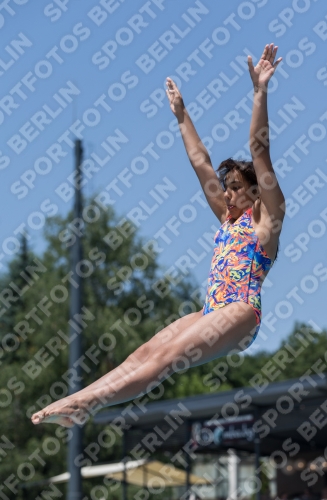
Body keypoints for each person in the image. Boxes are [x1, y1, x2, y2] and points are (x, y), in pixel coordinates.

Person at [31, 44, 285, 427]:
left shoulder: (266, 219)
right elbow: (200, 163)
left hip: (242, 310)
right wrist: (182, 115)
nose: (226, 192)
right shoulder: (227, 221)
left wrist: (260, 91)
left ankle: (92, 403)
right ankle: (78, 398)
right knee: (146, 352)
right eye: (226, 186)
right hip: (212, 310)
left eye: (234, 186)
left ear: (254, 191)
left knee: (167, 361)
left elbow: (259, 149)